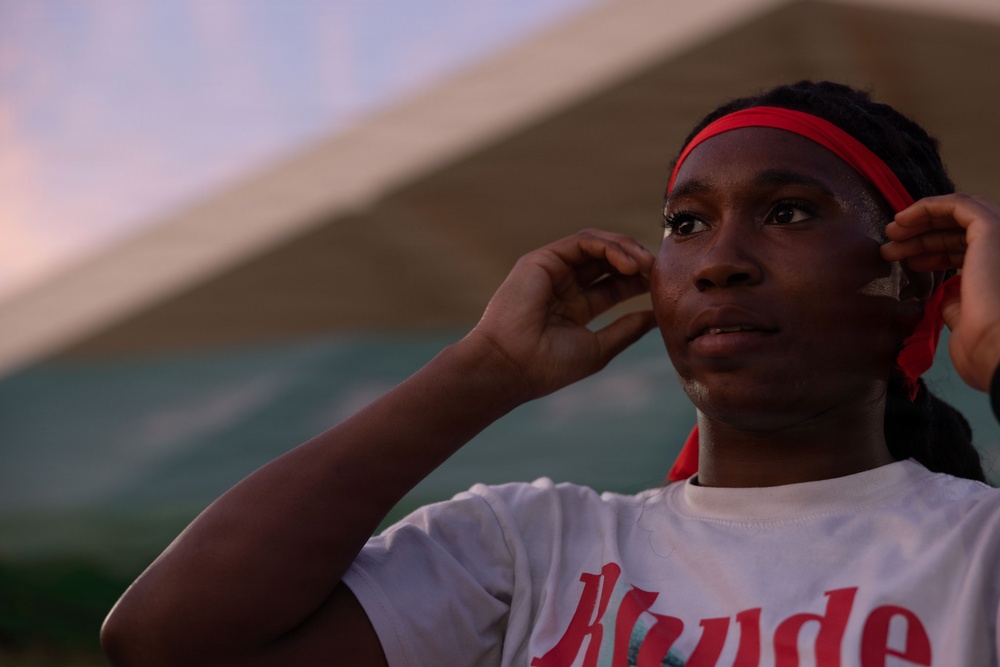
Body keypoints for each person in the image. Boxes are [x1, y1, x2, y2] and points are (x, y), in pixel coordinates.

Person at [101, 81, 1000, 665]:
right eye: (686, 224)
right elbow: (167, 641)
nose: (719, 261)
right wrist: (482, 370)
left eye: (790, 212)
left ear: (914, 280)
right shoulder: (528, 546)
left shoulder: (976, 551)